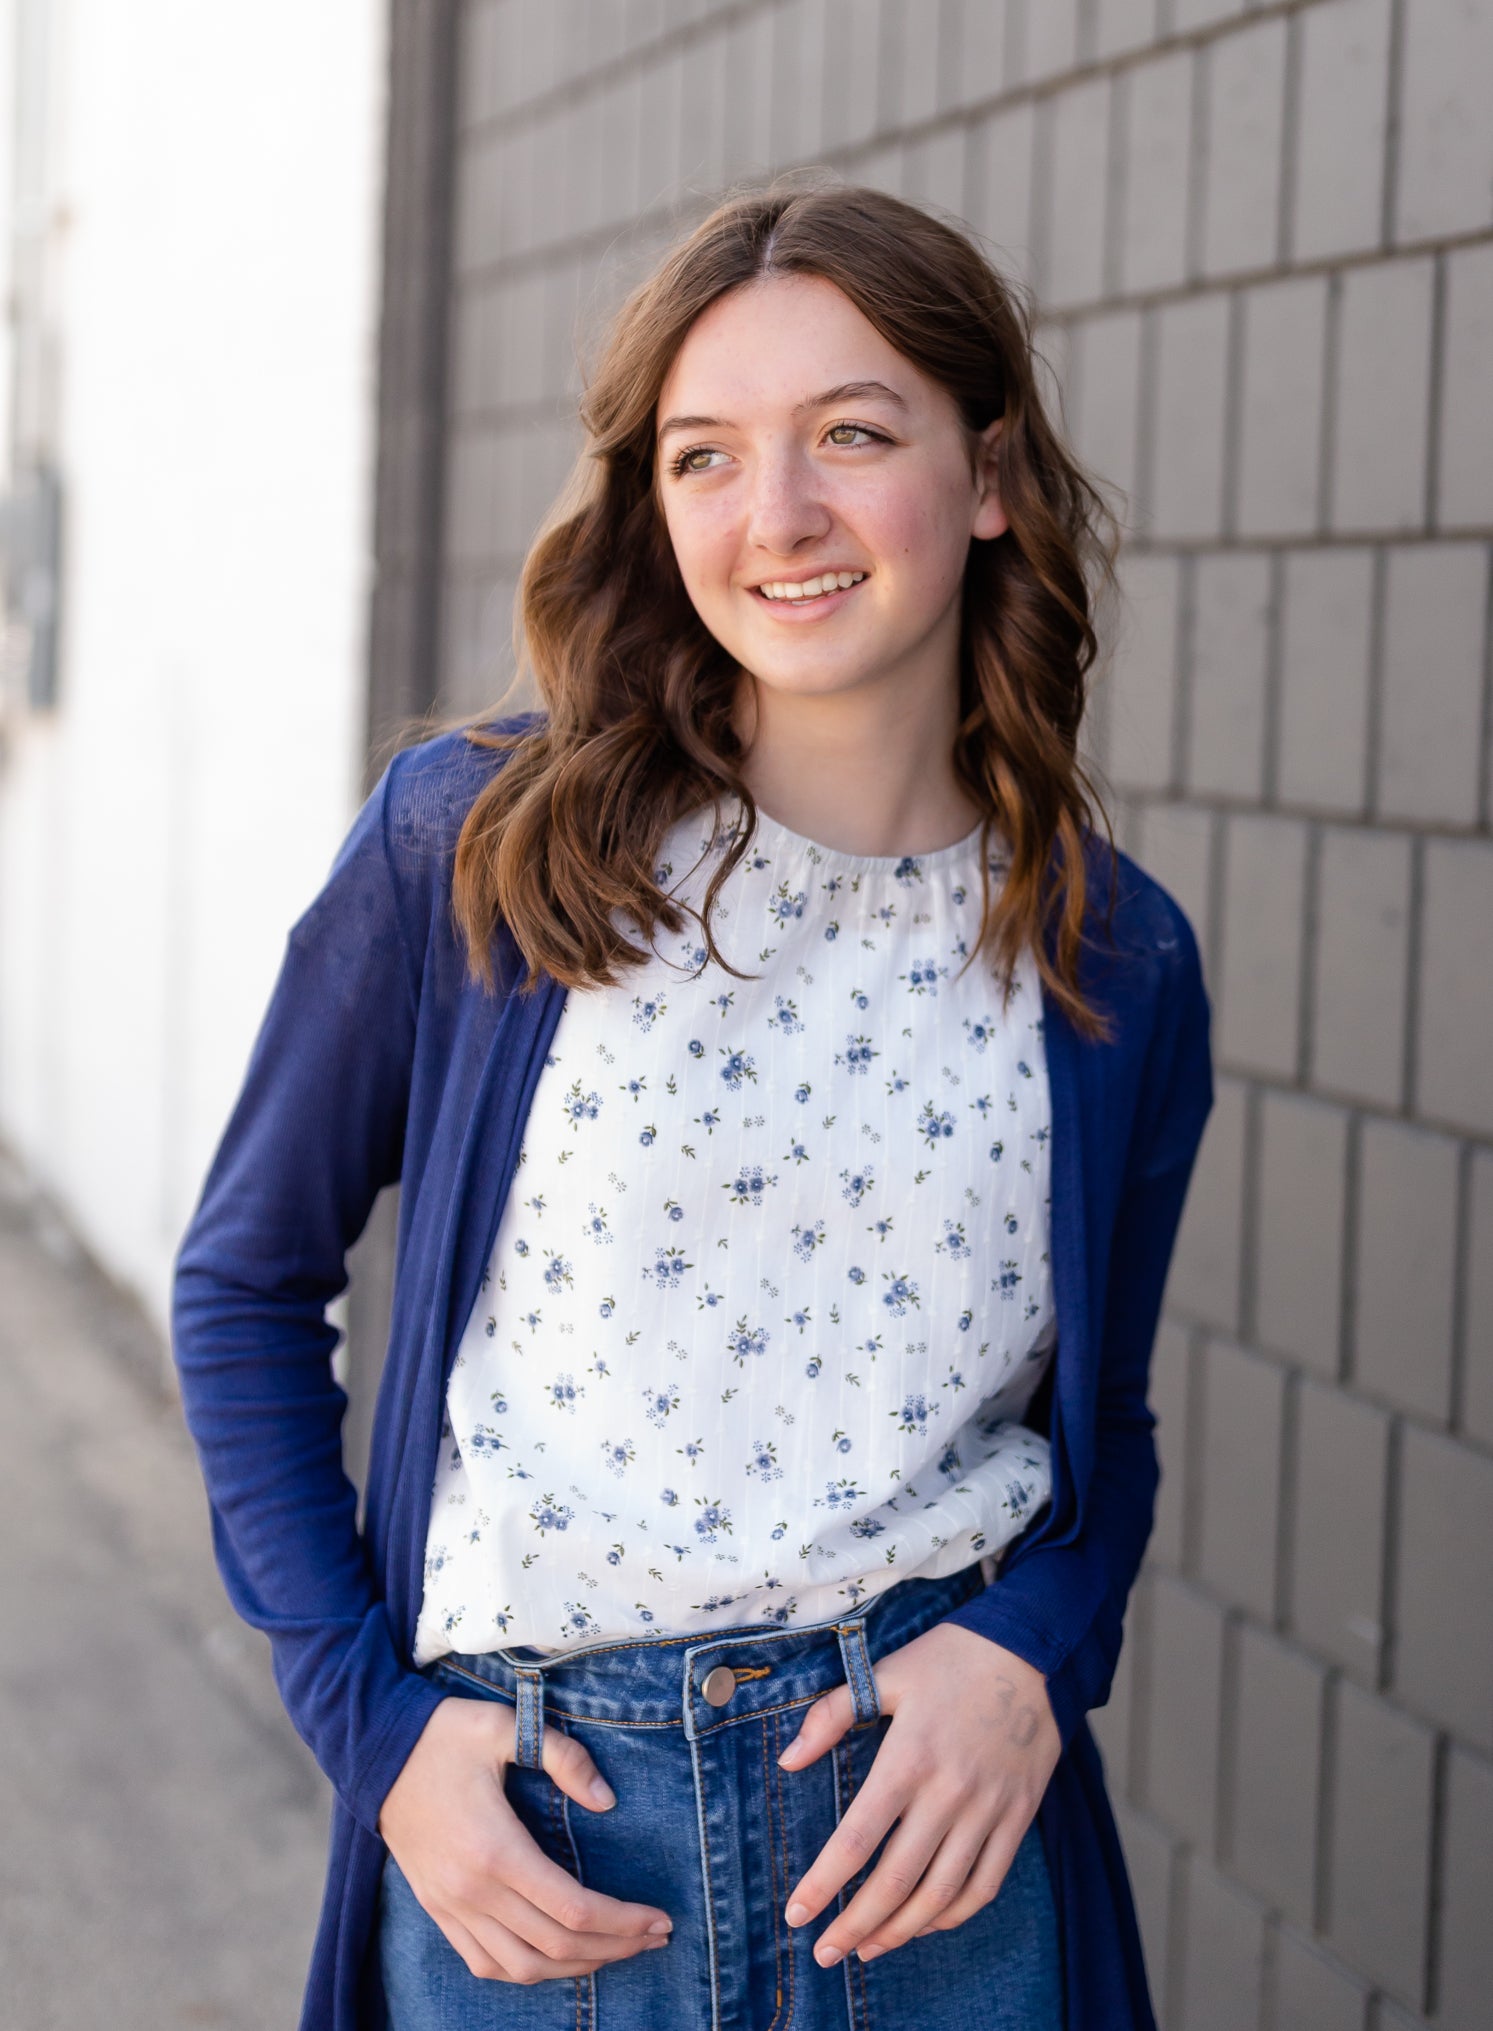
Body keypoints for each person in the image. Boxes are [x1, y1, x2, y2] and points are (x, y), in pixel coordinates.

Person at [174, 182, 1212, 2031]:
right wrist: (376, 1733)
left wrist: (1035, 1661)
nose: (780, 518)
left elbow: (1100, 1434)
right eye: (706, 458)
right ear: (652, 509)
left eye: (851, 437)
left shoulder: (1111, 962)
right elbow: (247, 1283)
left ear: (984, 479)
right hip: (544, 1855)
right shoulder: (479, 850)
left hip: (933, 1854)